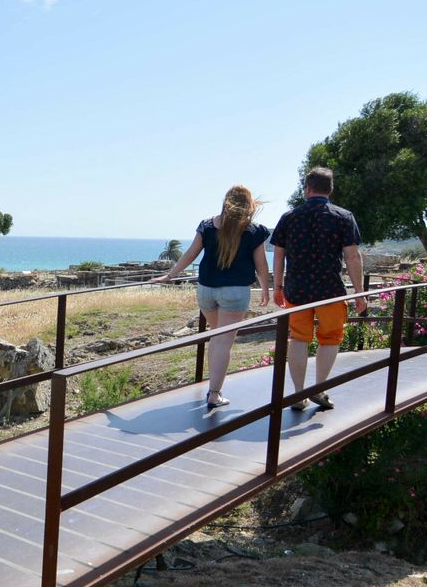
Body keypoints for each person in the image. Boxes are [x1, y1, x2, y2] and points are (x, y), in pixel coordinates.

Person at [152, 185, 271, 409]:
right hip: (235, 292)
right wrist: (265, 288)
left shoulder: (207, 226)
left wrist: (170, 275)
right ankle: (214, 395)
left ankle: (212, 387)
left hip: (206, 290)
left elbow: (191, 253)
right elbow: (261, 265)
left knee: (217, 338)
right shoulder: (254, 231)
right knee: (223, 342)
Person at [271, 166, 366, 411]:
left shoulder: (289, 217)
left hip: (297, 291)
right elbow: (352, 257)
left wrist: (277, 287)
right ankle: (319, 389)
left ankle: (298, 394)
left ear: (308, 189)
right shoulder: (344, 217)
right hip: (330, 291)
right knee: (330, 338)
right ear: (330, 189)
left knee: (298, 339)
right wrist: (359, 292)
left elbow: (279, 255)